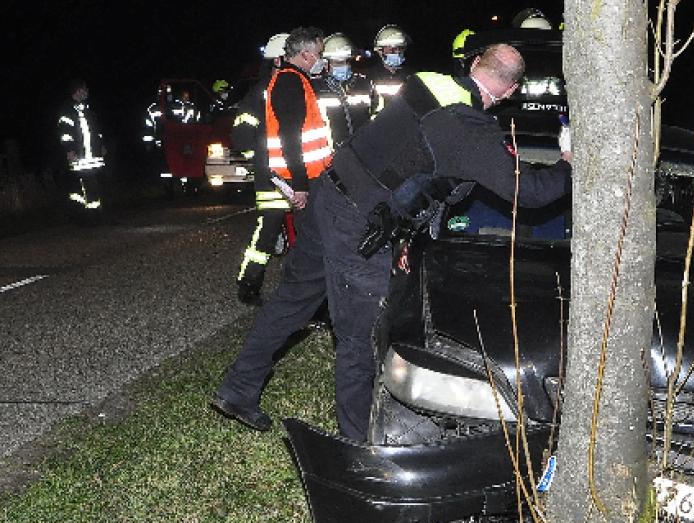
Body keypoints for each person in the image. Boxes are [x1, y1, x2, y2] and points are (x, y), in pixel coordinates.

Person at [212, 43, 573, 441]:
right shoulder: (469, 130)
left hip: (328, 195)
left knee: (292, 300)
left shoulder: (424, 83)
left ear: (473, 64)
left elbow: (406, 164)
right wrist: (568, 163)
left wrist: (401, 235)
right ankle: (361, 444)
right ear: (510, 90)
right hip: (356, 222)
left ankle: (238, 388)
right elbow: (532, 192)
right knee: (361, 337)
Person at [210, 26, 332, 430]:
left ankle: (241, 386)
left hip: (302, 186)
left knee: (302, 283)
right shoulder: (284, 85)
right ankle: (252, 287)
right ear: (307, 54)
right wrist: (295, 182)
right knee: (285, 268)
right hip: (293, 186)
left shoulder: (284, 83)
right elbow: (285, 139)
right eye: (321, 53)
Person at [232, 32, 293, 306]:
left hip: (299, 175)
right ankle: (249, 284)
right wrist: (262, 164)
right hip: (272, 180)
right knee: (267, 233)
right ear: (278, 59)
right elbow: (242, 135)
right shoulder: (262, 92)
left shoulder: (297, 87)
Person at [57, 78, 109, 224]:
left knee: (93, 186)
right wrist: (69, 150)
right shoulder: (68, 112)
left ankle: (94, 216)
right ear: (77, 91)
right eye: (84, 90)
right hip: (79, 158)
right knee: (83, 188)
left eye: (86, 90)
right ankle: (87, 217)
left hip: (93, 157)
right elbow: (65, 134)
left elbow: (96, 132)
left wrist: (101, 146)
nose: (86, 92)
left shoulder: (88, 111)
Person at [314, 32, 373, 148]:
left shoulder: (364, 84)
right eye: (338, 62)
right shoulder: (316, 88)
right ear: (325, 64)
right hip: (330, 156)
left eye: (347, 61)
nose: (345, 66)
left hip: (362, 151)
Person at [366, 24, 413, 116]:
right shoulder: (370, 76)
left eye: (399, 48)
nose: (397, 52)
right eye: (391, 50)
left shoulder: (411, 75)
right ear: (380, 52)